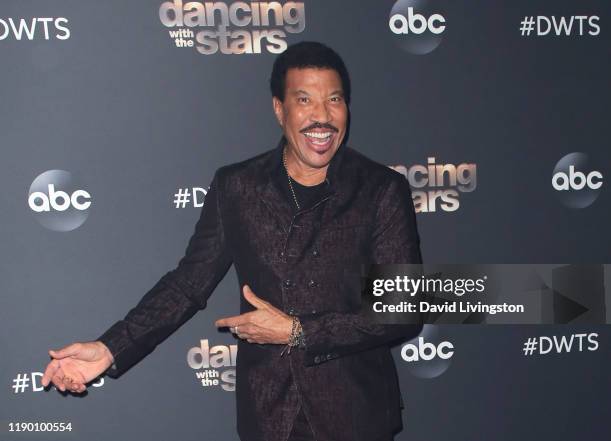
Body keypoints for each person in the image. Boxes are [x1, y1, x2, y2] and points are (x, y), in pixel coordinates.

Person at [41, 41, 423, 441]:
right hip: (269, 416)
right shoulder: (237, 187)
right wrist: (109, 349)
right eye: (305, 100)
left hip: (355, 414)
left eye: (334, 100)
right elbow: (187, 285)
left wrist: (299, 331)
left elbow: (402, 311)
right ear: (280, 108)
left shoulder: (381, 190)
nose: (322, 117)